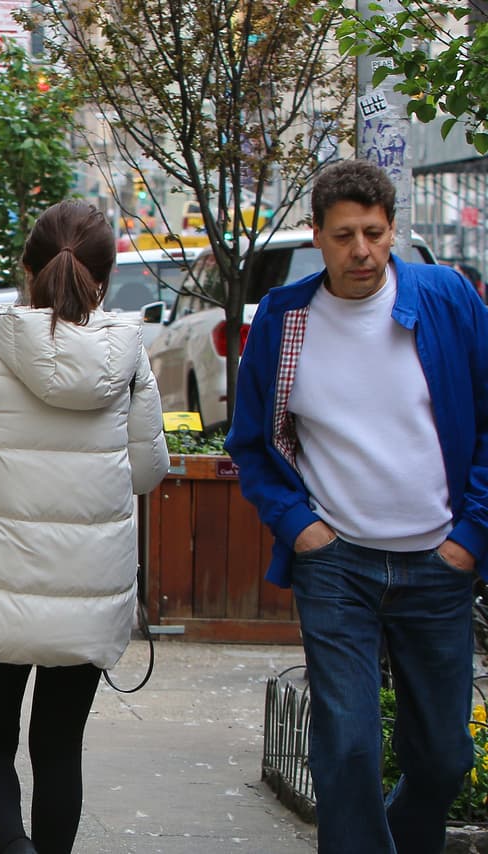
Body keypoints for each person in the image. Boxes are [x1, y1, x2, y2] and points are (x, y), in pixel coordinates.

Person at [225, 159, 488, 854]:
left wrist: (473, 534)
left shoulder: (446, 299)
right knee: (345, 749)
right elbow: (250, 443)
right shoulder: (287, 320)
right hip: (337, 564)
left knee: (443, 756)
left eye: (373, 232)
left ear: (393, 228)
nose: (361, 250)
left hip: (440, 563)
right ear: (317, 236)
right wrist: (298, 526)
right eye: (344, 235)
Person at [0, 200, 169, 854]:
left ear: (26, 269)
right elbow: (146, 473)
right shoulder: (130, 357)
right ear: (105, 280)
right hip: (88, 586)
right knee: (59, 748)